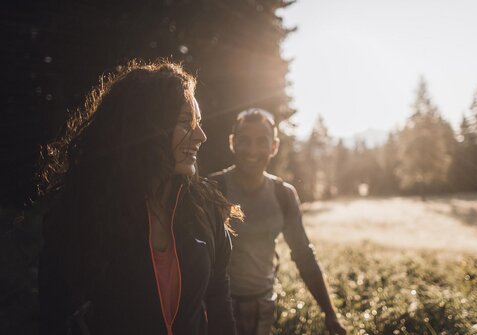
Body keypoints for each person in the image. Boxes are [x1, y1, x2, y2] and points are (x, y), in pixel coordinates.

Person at [37, 61, 242, 335]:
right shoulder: (83, 212)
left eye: (199, 123)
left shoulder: (206, 206)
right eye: (185, 123)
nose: (201, 136)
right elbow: (56, 315)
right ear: (147, 128)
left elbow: (218, 298)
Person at [209, 109, 347, 335]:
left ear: (274, 146)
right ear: (233, 143)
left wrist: (330, 314)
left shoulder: (284, 195)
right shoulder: (214, 189)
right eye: (245, 141)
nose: (253, 150)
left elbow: (303, 255)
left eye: (261, 141)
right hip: (217, 309)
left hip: (264, 308)